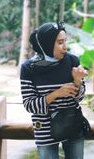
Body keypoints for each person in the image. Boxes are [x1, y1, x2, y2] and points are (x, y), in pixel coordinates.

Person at [20, 22, 88, 159]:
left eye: (65, 41)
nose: (65, 47)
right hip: (45, 129)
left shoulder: (72, 61)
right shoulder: (28, 68)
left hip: (72, 125)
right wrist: (57, 93)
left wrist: (77, 81)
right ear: (47, 44)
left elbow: (79, 98)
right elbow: (29, 105)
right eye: (60, 42)